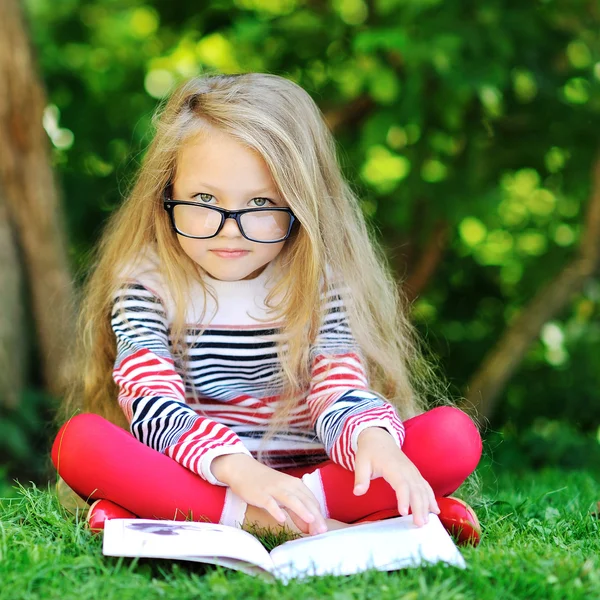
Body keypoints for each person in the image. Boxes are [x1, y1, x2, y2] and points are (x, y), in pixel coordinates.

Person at [51, 73, 482, 544]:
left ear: (301, 205)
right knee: (80, 444)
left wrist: (371, 441)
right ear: (165, 194)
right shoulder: (146, 282)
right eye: (203, 200)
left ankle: (156, 514)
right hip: (205, 474)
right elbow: (152, 403)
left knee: (452, 438)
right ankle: (329, 527)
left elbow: (337, 387)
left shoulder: (318, 279)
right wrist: (240, 471)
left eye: (260, 202)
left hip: (317, 477)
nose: (228, 230)